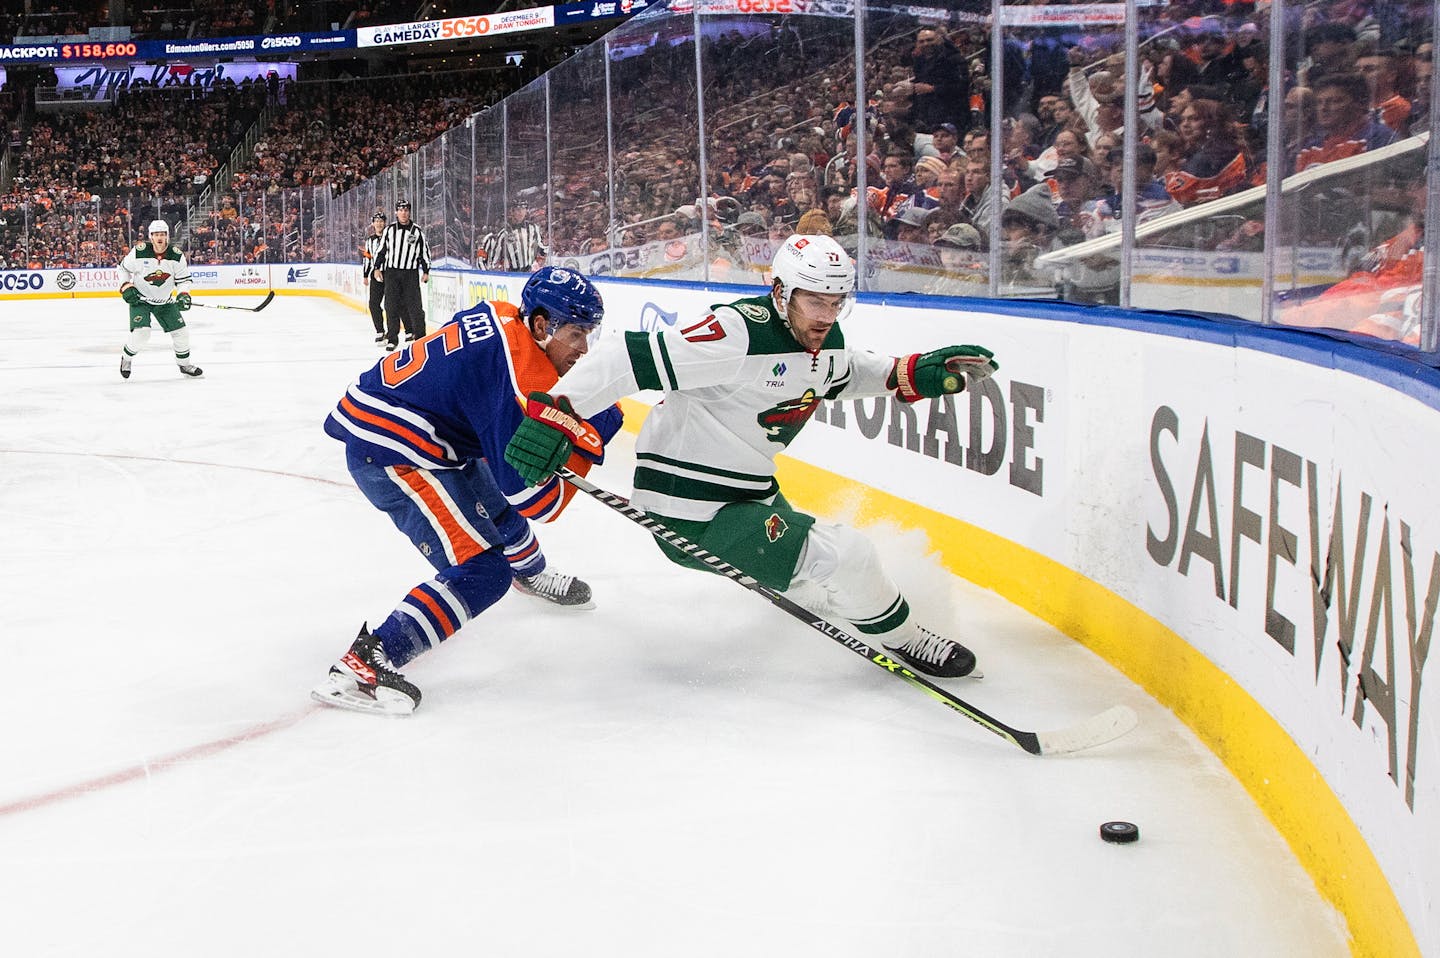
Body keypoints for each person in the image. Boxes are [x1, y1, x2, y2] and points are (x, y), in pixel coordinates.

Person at [504, 234, 999, 682]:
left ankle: (862, 608)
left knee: (816, 577)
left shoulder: (825, 341)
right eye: (813, 300)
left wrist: (911, 374)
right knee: (848, 555)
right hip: (689, 511)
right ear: (781, 293)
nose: (825, 315)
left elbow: (845, 372)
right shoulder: (738, 332)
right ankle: (906, 640)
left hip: (751, 493)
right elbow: (624, 357)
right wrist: (557, 415)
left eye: (835, 301)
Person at [313, 267, 622, 714]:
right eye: (576, 334)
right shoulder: (518, 379)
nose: (583, 348)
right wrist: (596, 430)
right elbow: (537, 500)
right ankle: (363, 665)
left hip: (416, 431)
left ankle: (529, 573)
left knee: (494, 507)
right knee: (484, 571)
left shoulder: (504, 317)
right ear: (540, 324)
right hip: (393, 451)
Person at [118, 219, 201, 380]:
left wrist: (184, 294)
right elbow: (123, 269)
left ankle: (184, 364)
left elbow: (183, 280)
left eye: (163, 234)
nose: (159, 238)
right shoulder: (139, 251)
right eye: (156, 234)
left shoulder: (176, 256)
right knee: (142, 333)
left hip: (165, 302)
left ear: (167, 236)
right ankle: (126, 359)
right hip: (140, 300)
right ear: (151, 237)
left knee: (181, 333)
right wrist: (126, 286)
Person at [372, 199, 430, 349]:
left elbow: (424, 252)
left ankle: (420, 337)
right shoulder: (390, 230)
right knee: (391, 306)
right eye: (401, 210)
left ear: (409, 212)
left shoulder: (416, 231)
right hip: (392, 273)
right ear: (396, 212)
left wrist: (426, 271)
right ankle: (392, 338)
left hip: (410, 273)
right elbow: (381, 250)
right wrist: (377, 267)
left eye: (406, 210)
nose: (403, 213)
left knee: (415, 306)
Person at [361, 210, 387, 346]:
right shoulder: (369, 241)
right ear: (373, 224)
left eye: (381, 221)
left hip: (389, 275)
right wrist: (365, 275)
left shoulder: (390, 238)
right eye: (376, 221)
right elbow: (367, 258)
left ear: (385, 223)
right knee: (373, 304)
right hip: (374, 276)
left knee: (392, 304)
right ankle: (380, 331)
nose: (379, 223)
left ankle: (395, 331)